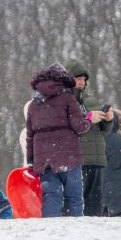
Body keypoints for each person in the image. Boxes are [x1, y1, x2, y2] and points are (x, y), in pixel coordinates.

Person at [24, 64, 92, 217]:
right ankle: (73, 232)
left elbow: (30, 135)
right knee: (74, 197)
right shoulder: (68, 97)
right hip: (69, 156)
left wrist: (31, 161)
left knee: (51, 198)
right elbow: (79, 126)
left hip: (44, 159)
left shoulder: (34, 104)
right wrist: (88, 120)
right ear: (63, 79)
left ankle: (51, 233)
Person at [63, 58, 114, 216]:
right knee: (78, 201)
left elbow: (103, 131)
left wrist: (108, 119)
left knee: (95, 204)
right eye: (78, 78)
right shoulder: (63, 100)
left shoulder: (90, 100)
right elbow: (66, 127)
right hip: (78, 158)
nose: (81, 82)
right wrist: (87, 119)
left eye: (84, 79)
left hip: (97, 158)